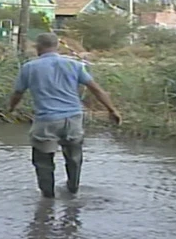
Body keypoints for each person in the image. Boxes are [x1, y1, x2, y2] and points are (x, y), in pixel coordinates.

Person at [8, 32, 121, 198]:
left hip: (47, 120)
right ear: (57, 46)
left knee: (43, 162)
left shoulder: (29, 67)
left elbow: (18, 93)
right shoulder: (74, 65)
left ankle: (47, 200)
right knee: (74, 158)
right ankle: (73, 191)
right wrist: (112, 110)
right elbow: (96, 88)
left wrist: (11, 108)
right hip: (73, 119)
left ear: (38, 47)